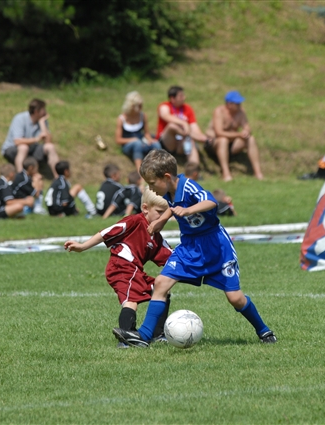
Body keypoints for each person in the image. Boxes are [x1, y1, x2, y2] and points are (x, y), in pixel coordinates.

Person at [112, 149, 277, 347]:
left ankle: (264, 330)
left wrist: (188, 209)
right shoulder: (169, 191)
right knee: (161, 282)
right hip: (189, 247)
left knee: (235, 298)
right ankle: (144, 336)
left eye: (153, 183)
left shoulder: (188, 186)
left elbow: (211, 202)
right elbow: (172, 206)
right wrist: (162, 221)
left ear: (167, 177)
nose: (151, 189)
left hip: (216, 247)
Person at [64, 189, 173, 348]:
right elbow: (107, 232)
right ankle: (126, 340)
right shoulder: (134, 222)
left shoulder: (156, 237)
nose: (163, 217)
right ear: (145, 208)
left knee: (162, 289)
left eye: (166, 213)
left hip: (135, 270)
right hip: (121, 266)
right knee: (131, 300)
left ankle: (158, 334)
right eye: (159, 212)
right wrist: (82, 246)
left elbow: (173, 258)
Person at [205, 91, 264, 181]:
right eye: (237, 103)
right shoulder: (219, 112)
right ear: (229, 104)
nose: (240, 105)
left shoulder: (241, 112)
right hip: (215, 144)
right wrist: (239, 134)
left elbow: (247, 127)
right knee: (223, 140)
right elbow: (219, 133)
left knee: (251, 139)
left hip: (232, 144)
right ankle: (226, 174)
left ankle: (258, 173)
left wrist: (246, 132)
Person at [1, 98, 60, 178]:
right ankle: (21, 177)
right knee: (23, 147)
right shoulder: (20, 118)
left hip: (32, 150)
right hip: (13, 149)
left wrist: (42, 124)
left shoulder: (42, 120)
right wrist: (36, 139)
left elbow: (48, 142)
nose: (45, 112)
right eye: (43, 110)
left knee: (50, 147)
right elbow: (17, 141)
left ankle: (58, 177)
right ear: (36, 111)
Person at [156, 86, 209, 166]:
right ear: (172, 98)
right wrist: (183, 123)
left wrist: (202, 136)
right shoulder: (164, 106)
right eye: (181, 96)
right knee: (172, 126)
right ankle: (193, 136)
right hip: (167, 142)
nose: (184, 98)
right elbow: (165, 115)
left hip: (181, 143)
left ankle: (194, 169)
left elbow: (194, 126)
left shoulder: (187, 108)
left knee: (190, 140)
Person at [115, 91, 162, 173]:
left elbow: (147, 133)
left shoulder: (143, 116)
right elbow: (118, 140)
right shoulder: (121, 119)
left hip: (141, 141)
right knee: (137, 144)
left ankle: (159, 168)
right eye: (139, 106)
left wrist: (149, 139)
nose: (141, 108)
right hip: (128, 146)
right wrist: (132, 140)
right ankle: (140, 171)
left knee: (156, 143)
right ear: (132, 106)